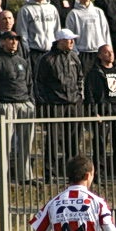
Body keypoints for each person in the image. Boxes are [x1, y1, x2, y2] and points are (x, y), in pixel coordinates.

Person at [0, 30, 36, 184]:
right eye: (10, 39)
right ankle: (1, 175)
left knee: (26, 142)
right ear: (2, 42)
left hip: (24, 103)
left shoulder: (23, 61)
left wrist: (31, 102)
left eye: (16, 39)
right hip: (6, 104)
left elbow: (29, 83)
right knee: (4, 144)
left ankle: (26, 175)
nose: (14, 42)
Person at [36, 29, 84, 184]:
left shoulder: (75, 57)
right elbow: (40, 83)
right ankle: (50, 173)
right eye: (68, 40)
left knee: (74, 140)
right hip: (55, 105)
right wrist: (46, 102)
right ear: (60, 41)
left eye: (72, 40)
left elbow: (80, 78)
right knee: (53, 140)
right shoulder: (47, 59)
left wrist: (79, 97)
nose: (71, 42)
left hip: (73, 104)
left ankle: (73, 174)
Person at [84, 44, 116, 181]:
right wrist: (94, 112)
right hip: (103, 111)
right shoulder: (94, 72)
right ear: (100, 55)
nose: (110, 54)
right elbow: (89, 93)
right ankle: (99, 174)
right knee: (100, 144)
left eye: (112, 51)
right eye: (106, 52)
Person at [65, 0, 112, 77]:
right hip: (83, 54)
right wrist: (75, 53)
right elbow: (70, 37)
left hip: (99, 53)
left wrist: (109, 50)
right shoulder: (73, 14)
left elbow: (105, 32)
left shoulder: (98, 12)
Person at [17, 0, 61, 70]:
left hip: (51, 52)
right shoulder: (25, 10)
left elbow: (57, 31)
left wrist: (57, 49)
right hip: (34, 52)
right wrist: (26, 51)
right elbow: (22, 33)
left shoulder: (52, 9)